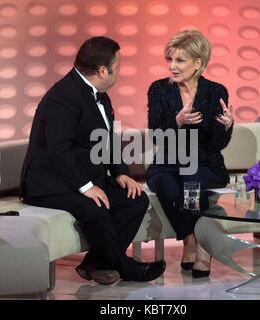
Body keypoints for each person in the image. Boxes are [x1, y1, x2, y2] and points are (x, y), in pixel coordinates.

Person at [20, 36, 166, 285]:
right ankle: (127, 269)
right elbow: (59, 150)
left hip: (81, 177)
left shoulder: (100, 94)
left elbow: (106, 138)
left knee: (135, 200)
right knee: (96, 209)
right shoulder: (62, 97)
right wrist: (86, 187)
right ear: (102, 70)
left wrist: (120, 172)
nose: (119, 71)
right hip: (49, 183)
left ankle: (94, 264)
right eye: (117, 66)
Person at [146, 30, 234, 278]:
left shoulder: (216, 91)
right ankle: (191, 239)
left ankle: (203, 248)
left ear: (198, 63)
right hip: (167, 164)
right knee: (167, 185)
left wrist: (227, 127)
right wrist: (177, 122)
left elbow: (217, 144)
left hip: (205, 164)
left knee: (192, 177)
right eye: (170, 60)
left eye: (180, 60)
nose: (173, 66)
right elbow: (155, 135)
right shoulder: (158, 90)